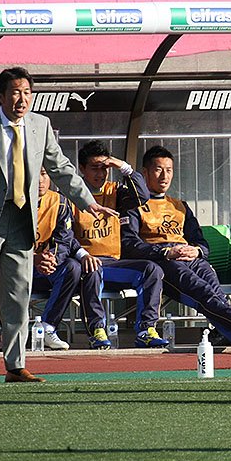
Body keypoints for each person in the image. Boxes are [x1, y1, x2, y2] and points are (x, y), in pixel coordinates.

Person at [0, 67, 112, 384]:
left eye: (26, 92)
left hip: (23, 218)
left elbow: (60, 167)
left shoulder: (41, 125)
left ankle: (15, 366)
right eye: (15, 92)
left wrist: (87, 201)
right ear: (0, 96)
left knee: (18, 294)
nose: (22, 99)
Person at [121, 145, 231, 352]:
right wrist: (165, 252)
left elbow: (200, 241)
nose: (164, 176)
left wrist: (197, 250)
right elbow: (130, 245)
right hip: (162, 261)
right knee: (201, 290)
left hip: (190, 257)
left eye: (169, 170)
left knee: (214, 289)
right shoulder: (133, 206)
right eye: (158, 170)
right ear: (145, 173)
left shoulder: (180, 206)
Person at [72, 141, 168, 349]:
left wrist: (123, 167)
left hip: (114, 264)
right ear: (82, 168)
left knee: (152, 270)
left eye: (104, 168)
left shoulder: (115, 191)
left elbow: (142, 196)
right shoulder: (72, 195)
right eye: (95, 168)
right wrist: (82, 255)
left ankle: (146, 330)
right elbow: (65, 235)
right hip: (86, 263)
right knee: (92, 270)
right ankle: (97, 331)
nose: (101, 174)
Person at [30, 168, 80, 350]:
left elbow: (64, 241)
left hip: (45, 267)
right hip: (17, 267)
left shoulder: (60, 202)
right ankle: (5, 332)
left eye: (44, 174)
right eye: (35, 173)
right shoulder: (12, 201)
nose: (40, 180)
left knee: (72, 267)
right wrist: (33, 259)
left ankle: (48, 327)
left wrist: (50, 260)